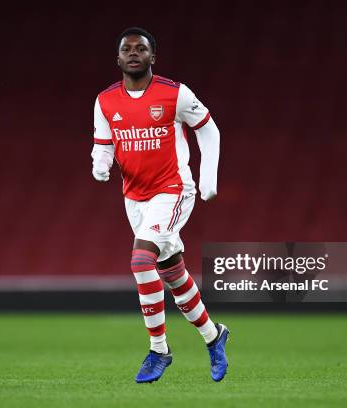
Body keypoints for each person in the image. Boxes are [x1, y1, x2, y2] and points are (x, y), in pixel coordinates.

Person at [90, 27, 229, 383]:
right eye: (126, 49)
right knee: (171, 272)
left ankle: (159, 350)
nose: (133, 53)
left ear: (153, 57)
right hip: (134, 197)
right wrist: (101, 164)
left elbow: (208, 130)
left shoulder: (175, 93)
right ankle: (214, 336)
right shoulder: (105, 101)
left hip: (173, 190)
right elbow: (103, 144)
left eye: (141, 49)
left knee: (140, 260)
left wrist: (208, 179)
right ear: (118, 58)